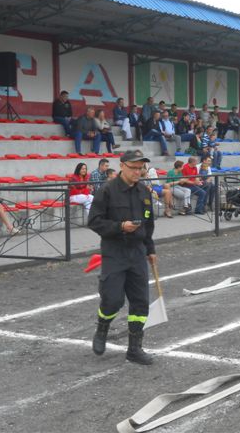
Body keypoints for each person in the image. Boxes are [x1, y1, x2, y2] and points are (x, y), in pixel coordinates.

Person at [88, 150, 156, 365]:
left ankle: (134, 348)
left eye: (141, 168)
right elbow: (94, 221)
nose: (138, 172)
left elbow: (148, 224)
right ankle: (102, 328)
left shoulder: (144, 193)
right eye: (134, 168)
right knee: (113, 299)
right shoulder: (107, 191)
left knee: (141, 303)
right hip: (114, 251)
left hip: (137, 252)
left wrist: (150, 249)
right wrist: (119, 227)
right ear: (122, 166)